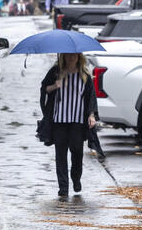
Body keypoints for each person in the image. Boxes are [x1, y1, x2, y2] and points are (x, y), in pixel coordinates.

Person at [41, 53, 99, 198]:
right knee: (60, 154)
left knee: (77, 150)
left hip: (77, 120)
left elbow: (91, 96)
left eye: (74, 56)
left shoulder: (84, 74)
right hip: (59, 120)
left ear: (79, 57)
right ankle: (63, 187)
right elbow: (44, 89)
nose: (71, 58)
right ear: (64, 57)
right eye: (68, 56)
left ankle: (76, 177)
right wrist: (55, 85)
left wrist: (91, 115)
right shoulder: (56, 71)